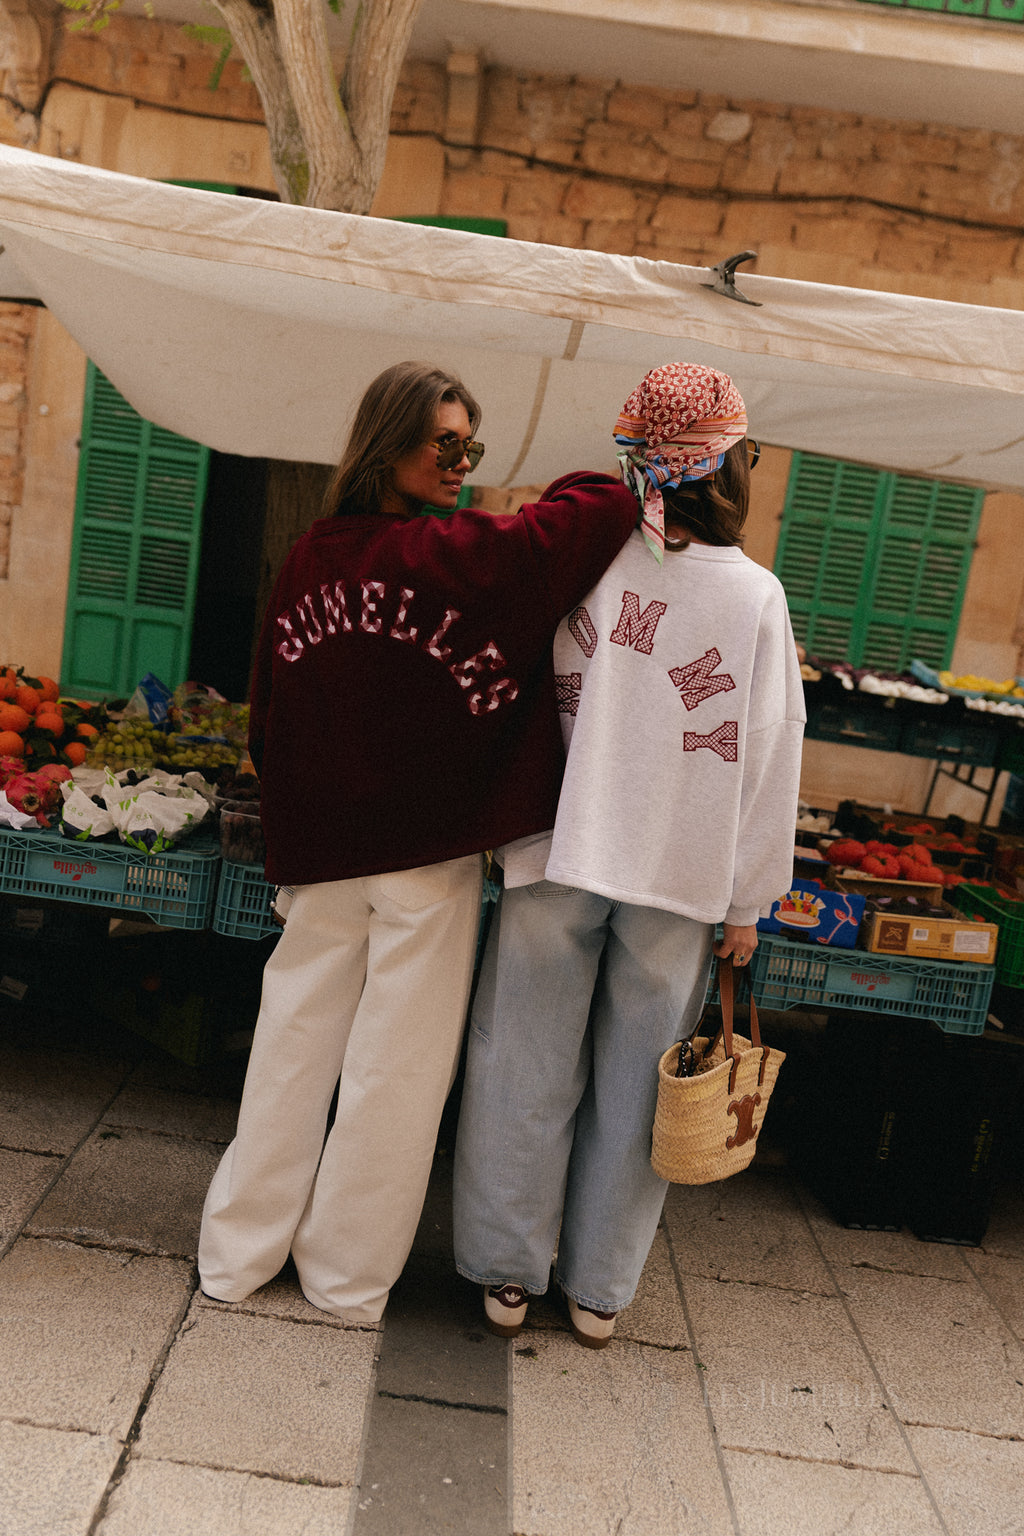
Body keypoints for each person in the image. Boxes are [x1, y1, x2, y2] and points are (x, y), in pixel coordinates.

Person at [198, 360, 637, 1323]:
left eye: (470, 445)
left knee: (289, 1048)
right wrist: (550, 481)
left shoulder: (312, 556)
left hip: (320, 854)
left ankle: (235, 1256)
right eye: (447, 441)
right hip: (424, 856)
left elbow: (267, 714)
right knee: (396, 1075)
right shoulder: (463, 556)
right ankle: (346, 1279)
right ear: (389, 438)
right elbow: (603, 503)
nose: (462, 462)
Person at [452, 362, 805, 1348]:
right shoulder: (753, 598)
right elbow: (771, 750)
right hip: (680, 870)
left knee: (520, 1060)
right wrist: (750, 898)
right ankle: (599, 1287)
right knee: (641, 1080)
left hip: (557, 848)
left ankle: (505, 1270)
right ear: (726, 463)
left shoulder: (584, 559)